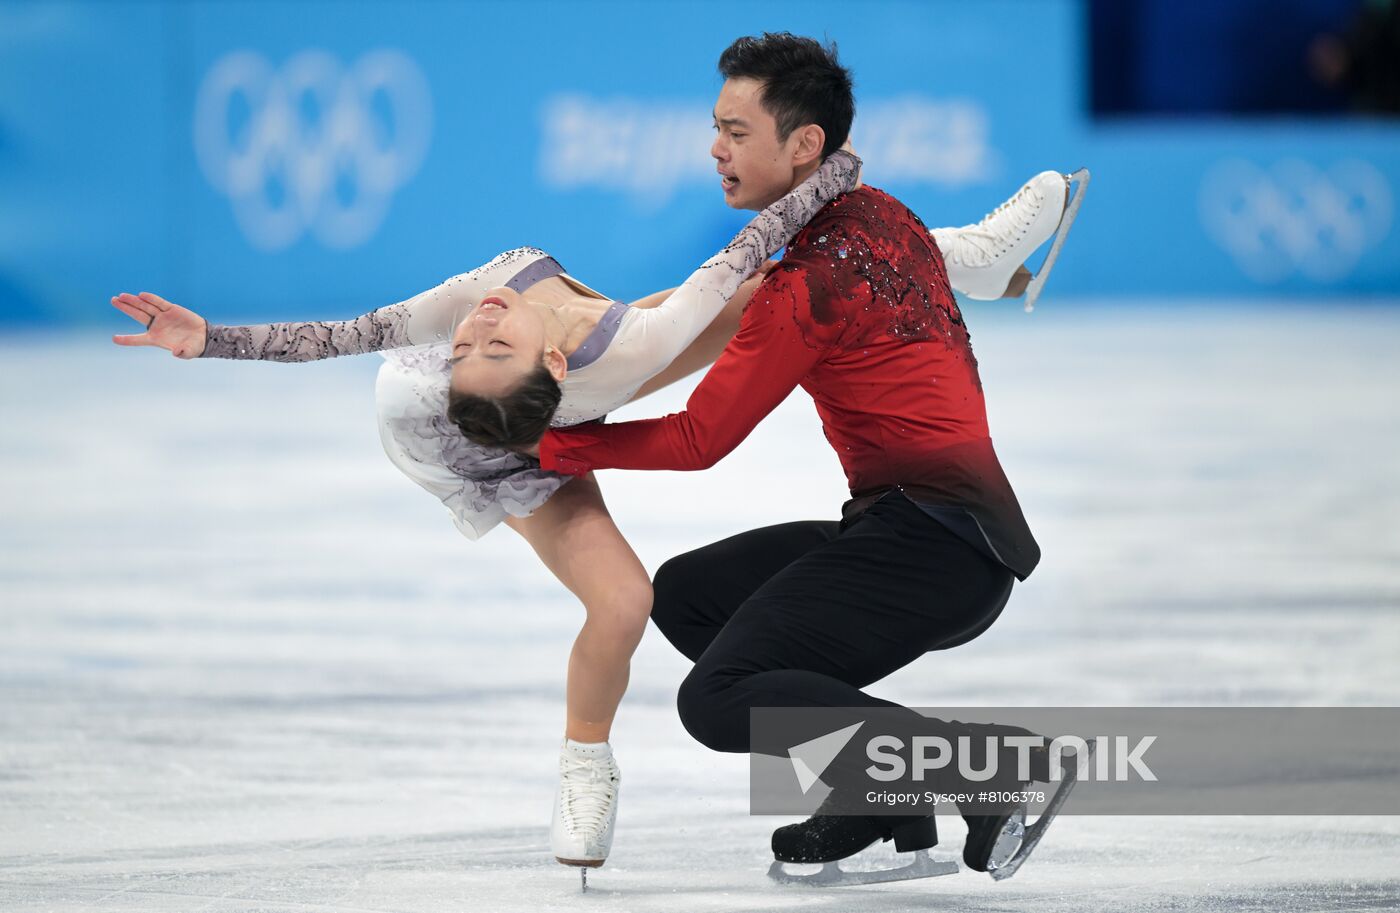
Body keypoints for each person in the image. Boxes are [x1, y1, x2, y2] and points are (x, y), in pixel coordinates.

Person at [110, 98, 1069, 879]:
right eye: (482, 343)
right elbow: (354, 334)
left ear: (556, 359)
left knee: (671, 591)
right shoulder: (525, 351)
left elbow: (359, 327)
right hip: (462, 442)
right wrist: (828, 172)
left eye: (481, 342)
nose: (477, 325)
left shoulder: (525, 303)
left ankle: (946, 771)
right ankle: (879, 778)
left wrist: (825, 176)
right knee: (731, 346)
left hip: (902, 525)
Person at [532, 33, 1057, 879]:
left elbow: (699, 439)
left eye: (736, 132)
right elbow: (694, 316)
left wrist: (555, 443)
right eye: (717, 127)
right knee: (691, 599)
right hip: (929, 534)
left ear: (805, 146)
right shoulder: (882, 214)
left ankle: (985, 769)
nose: (715, 148)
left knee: (714, 700)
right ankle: (877, 789)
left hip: (934, 548)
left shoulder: (812, 282)